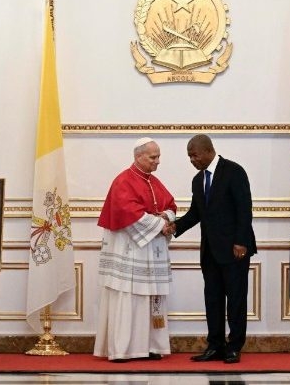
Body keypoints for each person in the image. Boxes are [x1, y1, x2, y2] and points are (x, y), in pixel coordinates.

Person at [173, 134, 256, 364]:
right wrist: (174, 227)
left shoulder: (234, 171)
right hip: (210, 252)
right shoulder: (197, 180)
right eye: (189, 157)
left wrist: (241, 242)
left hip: (234, 250)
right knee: (213, 299)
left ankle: (234, 346)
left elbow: (244, 209)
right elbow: (196, 213)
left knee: (236, 299)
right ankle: (215, 345)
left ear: (208, 151)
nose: (192, 160)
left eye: (194, 155)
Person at [94, 137, 177, 362]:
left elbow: (170, 205)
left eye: (158, 157)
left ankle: (150, 346)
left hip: (151, 251)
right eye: (153, 157)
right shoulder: (123, 181)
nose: (157, 161)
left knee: (151, 297)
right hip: (130, 252)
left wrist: (166, 217)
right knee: (128, 296)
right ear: (138, 156)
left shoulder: (154, 182)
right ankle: (122, 349)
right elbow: (128, 212)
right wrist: (160, 224)